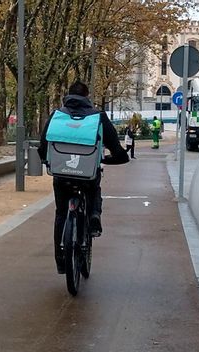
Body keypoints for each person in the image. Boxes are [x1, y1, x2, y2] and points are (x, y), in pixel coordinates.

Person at [38, 81, 129, 274]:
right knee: (94, 187)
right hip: (87, 174)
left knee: (61, 213)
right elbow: (119, 152)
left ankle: (60, 260)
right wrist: (110, 159)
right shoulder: (99, 117)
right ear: (87, 97)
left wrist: (49, 162)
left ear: (67, 95)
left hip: (61, 175)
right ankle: (94, 215)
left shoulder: (56, 115)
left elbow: (42, 148)